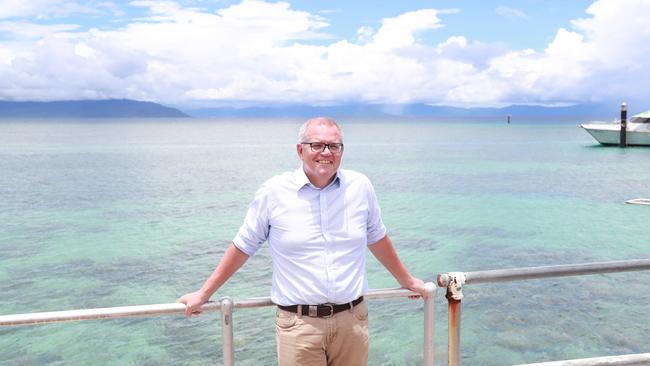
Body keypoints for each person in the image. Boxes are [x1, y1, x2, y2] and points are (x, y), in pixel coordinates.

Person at [178, 117, 427, 366]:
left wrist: (406, 281)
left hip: (353, 321)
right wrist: (204, 293)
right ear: (300, 150)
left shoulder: (360, 187)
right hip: (299, 326)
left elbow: (377, 237)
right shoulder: (273, 191)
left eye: (334, 146)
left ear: (342, 151)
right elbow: (244, 245)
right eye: (316, 145)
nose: (326, 153)